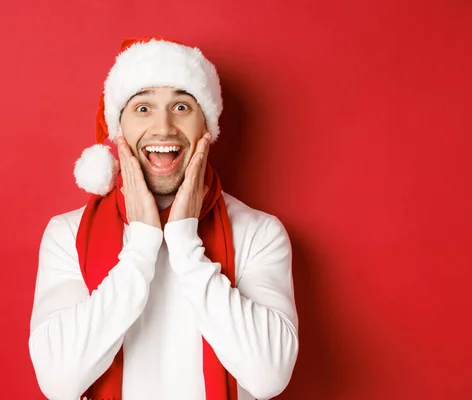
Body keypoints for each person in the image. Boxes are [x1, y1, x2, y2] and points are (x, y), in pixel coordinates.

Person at [28, 37, 299, 400]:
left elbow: (269, 377)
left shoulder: (259, 233)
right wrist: (141, 246)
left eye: (182, 106)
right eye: (143, 108)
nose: (164, 127)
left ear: (207, 127)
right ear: (118, 130)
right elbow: (59, 381)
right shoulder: (66, 235)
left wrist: (186, 244)